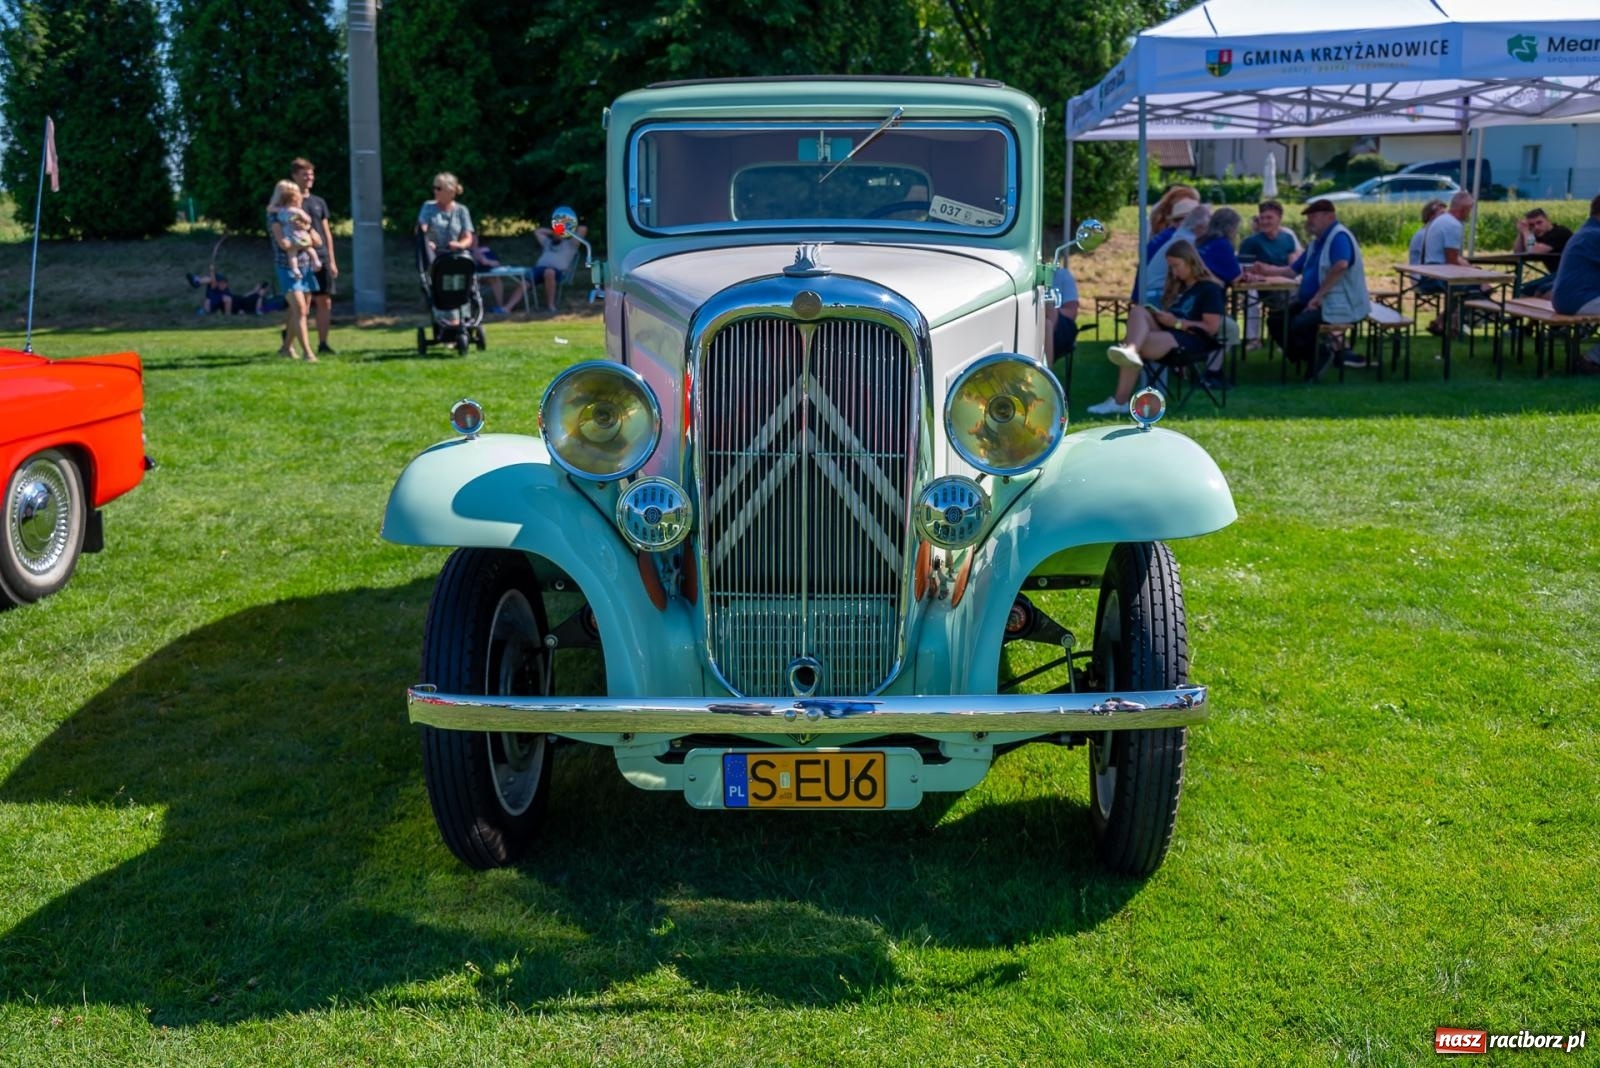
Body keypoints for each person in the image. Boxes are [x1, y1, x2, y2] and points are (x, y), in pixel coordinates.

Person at [1086, 241, 1225, 416]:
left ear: (1191, 262)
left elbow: (1211, 328)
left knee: (1134, 344)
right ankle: (1130, 351)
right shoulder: (1181, 286)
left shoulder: (1209, 289)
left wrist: (1177, 323)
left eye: (1176, 266)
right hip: (1171, 332)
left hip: (1193, 340)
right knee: (1138, 310)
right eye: (1171, 267)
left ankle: (1120, 400)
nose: (1174, 272)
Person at [1254, 198, 1369, 378]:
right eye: (1308, 217)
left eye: (1313, 216)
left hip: (1338, 304)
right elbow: (1292, 271)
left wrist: (1318, 296)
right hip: (1316, 301)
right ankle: (1309, 356)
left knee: (1299, 323)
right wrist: (1265, 271)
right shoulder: (1316, 243)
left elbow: (1341, 265)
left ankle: (1320, 355)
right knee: (1276, 321)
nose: (1309, 221)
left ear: (1329, 217)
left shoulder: (1339, 236)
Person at [267, 179, 321, 361]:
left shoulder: (300, 215)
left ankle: (286, 348)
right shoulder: (275, 217)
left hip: (306, 265)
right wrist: (299, 239)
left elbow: (317, 240)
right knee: (299, 308)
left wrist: (305, 229)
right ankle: (308, 352)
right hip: (287, 267)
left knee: (298, 310)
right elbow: (284, 243)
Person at [290, 159, 337, 356]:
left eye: (311, 174)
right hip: (300, 258)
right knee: (302, 304)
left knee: (324, 301)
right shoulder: (291, 203)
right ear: (294, 176)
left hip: (321, 257)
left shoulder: (319, 202)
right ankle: (290, 344)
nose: (309, 178)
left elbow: (326, 232)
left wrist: (332, 260)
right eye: (304, 174)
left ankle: (323, 343)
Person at [1238, 200, 1300, 346]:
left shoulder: (1287, 238)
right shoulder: (1250, 242)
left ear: (1279, 218)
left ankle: (1291, 338)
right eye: (1262, 217)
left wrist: (1268, 270)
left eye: (1269, 218)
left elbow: (1292, 269)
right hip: (1264, 289)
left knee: (1302, 297)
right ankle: (1257, 338)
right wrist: (1277, 273)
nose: (1264, 221)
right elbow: (1249, 272)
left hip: (1286, 286)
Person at [1551, 193, 1600, 372]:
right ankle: (1590, 361)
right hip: (1579, 298)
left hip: (1571, 297)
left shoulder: (1587, 231)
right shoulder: (1595, 235)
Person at [523, 216, 588, 316]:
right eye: (556, 231)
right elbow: (537, 231)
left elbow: (583, 229)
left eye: (559, 232)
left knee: (549, 272)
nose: (557, 234)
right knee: (524, 280)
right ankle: (506, 308)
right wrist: (554, 230)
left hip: (558, 272)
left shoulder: (570, 244)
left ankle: (551, 306)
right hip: (539, 270)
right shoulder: (547, 242)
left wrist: (567, 229)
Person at [1513, 207, 1573, 297]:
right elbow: (1518, 252)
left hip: (1571, 274)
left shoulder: (1560, 232)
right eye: (1531, 225)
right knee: (1525, 291)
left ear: (1548, 220)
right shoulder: (1535, 236)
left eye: (1539, 222)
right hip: (1557, 274)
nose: (1536, 227)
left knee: (1533, 291)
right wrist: (1521, 232)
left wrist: (1526, 231)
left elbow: (1534, 251)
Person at [418, 172, 475, 262]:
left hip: (455, 256)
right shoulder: (428, 206)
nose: (435, 191)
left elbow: (468, 237)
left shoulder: (462, 210)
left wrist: (460, 245)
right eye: (434, 188)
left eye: (438, 188)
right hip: (433, 256)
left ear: (450, 191)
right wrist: (428, 242)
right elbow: (422, 228)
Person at [1043, 252, 1079, 376]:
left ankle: (1047, 375)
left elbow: (1071, 312)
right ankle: (1047, 375)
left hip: (1062, 330)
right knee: (1046, 323)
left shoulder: (1062, 275)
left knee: (1047, 310)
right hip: (1040, 326)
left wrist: (1049, 309)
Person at [1409, 200, 1447, 265]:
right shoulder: (1426, 234)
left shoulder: (1427, 232)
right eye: (1442, 213)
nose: (1445, 216)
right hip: (1422, 273)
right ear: (1431, 215)